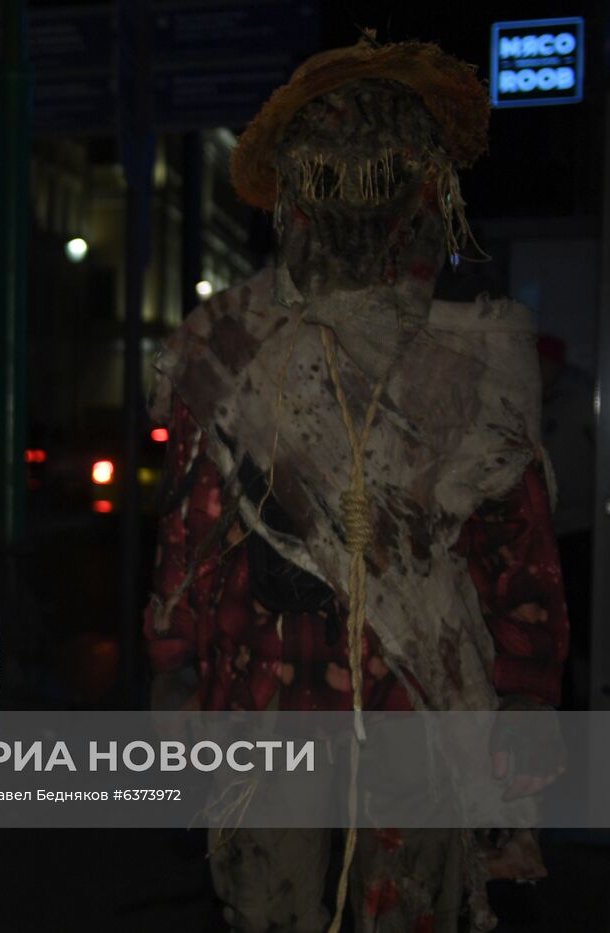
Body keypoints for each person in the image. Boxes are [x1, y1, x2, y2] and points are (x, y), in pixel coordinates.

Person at [144, 37, 568, 933]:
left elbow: (513, 549)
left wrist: (527, 697)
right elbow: (191, 535)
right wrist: (178, 673)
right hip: (278, 717)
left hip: (397, 722)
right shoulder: (231, 344)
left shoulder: (471, 360)